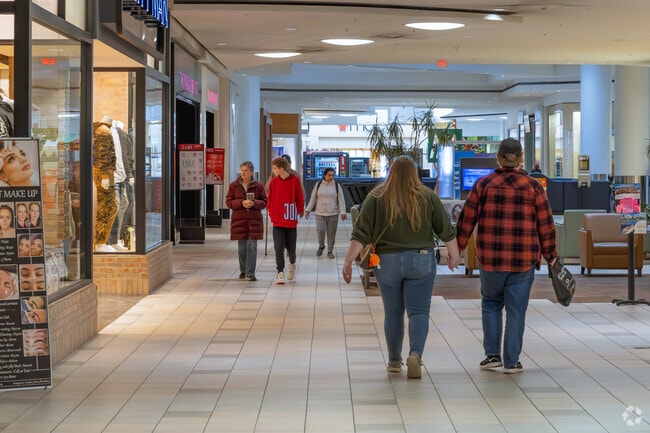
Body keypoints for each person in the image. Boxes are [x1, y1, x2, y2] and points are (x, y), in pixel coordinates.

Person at [342, 156, 462, 379]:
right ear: (415, 174)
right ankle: (415, 354)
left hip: (387, 262)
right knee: (418, 311)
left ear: (391, 172)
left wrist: (348, 261)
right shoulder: (427, 197)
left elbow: (360, 233)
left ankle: (394, 360)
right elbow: (446, 229)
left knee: (393, 312)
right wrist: (454, 254)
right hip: (422, 259)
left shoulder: (376, 197)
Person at [455, 138, 557, 374]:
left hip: (491, 258)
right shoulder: (533, 187)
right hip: (523, 260)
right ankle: (512, 362)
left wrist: (456, 249)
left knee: (490, 304)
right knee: (516, 310)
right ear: (521, 158)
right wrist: (550, 253)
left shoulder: (483, 184)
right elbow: (545, 223)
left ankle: (492, 356)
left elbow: (467, 220)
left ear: (498, 157)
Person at [226, 161, 267, 281]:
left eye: (246, 170)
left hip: (254, 221)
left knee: (252, 247)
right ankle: (243, 270)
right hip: (239, 220)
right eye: (242, 170)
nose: (243, 173)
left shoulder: (258, 186)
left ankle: (250, 273)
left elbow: (264, 202)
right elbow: (229, 202)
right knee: (242, 248)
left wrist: (254, 203)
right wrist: (241, 203)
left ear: (251, 172)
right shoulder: (233, 186)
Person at [268, 156, 304, 284]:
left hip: (290, 219)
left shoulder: (294, 180)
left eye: (275, 168)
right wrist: (270, 212)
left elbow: (300, 196)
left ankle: (292, 264)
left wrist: (300, 211)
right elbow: (270, 199)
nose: (273, 171)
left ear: (282, 169)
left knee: (291, 248)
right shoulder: (273, 182)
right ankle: (280, 272)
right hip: (277, 220)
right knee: (278, 247)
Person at [304, 167, 347, 259]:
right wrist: (308, 210)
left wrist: (343, 212)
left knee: (331, 233)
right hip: (319, 213)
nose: (331, 177)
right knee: (320, 230)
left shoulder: (336, 186)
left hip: (333, 214)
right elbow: (313, 198)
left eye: (332, 175)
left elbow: (341, 200)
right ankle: (321, 245)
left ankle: (330, 251)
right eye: (329, 175)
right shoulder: (318, 184)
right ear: (324, 175)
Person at [92, 121, 119, 252]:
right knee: (108, 206)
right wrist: (104, 175)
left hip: (105, 173)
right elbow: (101, 155)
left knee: (110, 206)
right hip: (104, 173)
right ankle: (99, 242)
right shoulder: (104, 131)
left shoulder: (102, 130)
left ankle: (101, 241)